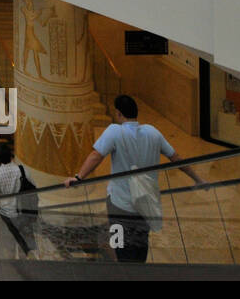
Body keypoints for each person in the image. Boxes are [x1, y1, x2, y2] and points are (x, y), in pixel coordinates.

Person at [64, 94, 205, 263]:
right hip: (145, 205)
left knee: (120, 245)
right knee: (140, 246)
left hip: (119, 205)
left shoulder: (115, 131)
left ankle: (125, 273)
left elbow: (96, 155)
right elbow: (176, 158)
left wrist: (79, 178)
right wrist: (197, 179)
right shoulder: (153, 132)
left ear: (118, 113)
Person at [0, 143, 35, 255]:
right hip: (23, 214)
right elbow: (33, 189)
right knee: (25, 246)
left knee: (8, 246)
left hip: (6, 215)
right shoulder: (23, 170)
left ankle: (14, 267)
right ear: (11, 156)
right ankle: (26, 266)